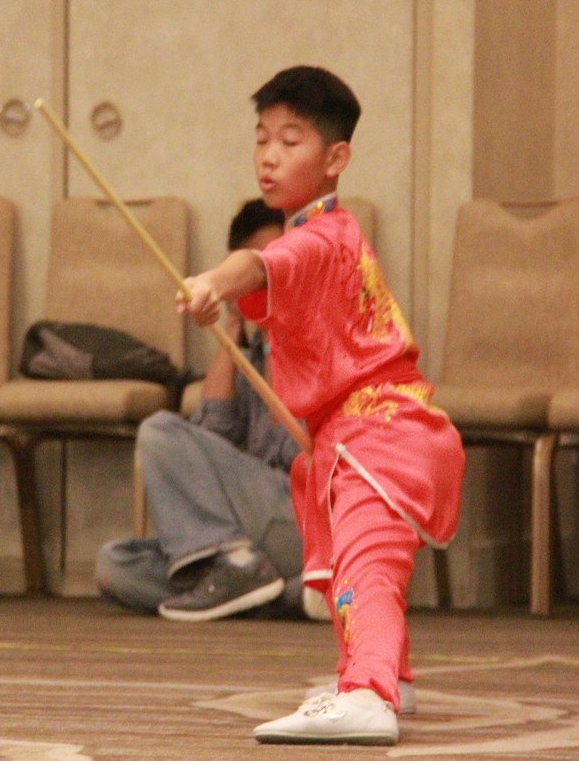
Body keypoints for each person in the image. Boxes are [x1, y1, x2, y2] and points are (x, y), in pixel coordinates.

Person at [176, 66, 465, 746]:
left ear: (335, 158)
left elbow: (257, 267)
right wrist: (224, 299)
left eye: (291, 140)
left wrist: (214, 279)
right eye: (262, 139)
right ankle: (385, 674)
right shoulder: (317, 235)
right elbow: (270, 286)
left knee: (366, 564)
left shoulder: (322, 236)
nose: (269, 156)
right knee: (351, 563)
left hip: (380, 429)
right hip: (359, 429)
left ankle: (369, 692)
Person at [95, 199, 307, 622]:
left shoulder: (315, 343)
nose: (267, 282)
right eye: (258, 273)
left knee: (159, 431)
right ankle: (273, 591)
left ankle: (248, 575)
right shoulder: (247, 355)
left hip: (299, 522)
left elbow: (296, 453)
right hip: (247, 533)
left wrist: (278, 330)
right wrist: (232, 326)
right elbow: (207, 446)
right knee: (115, 564)